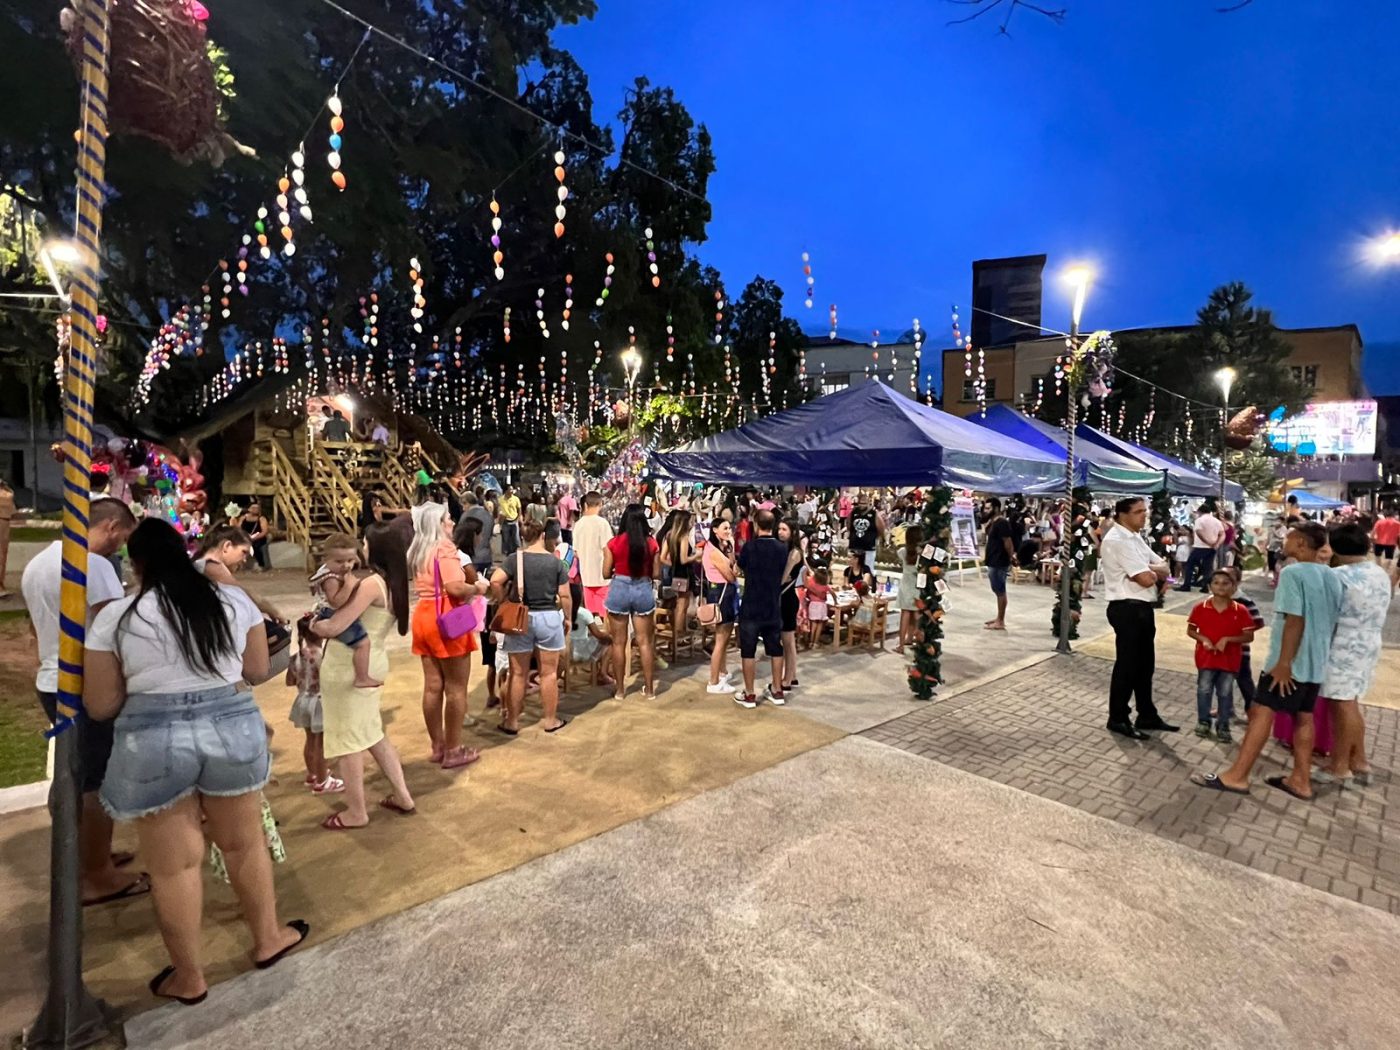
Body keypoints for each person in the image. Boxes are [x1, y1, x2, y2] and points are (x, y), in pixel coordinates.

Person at [85, 518, 307, 1001]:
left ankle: (190, 977)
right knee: (244, 845)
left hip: (153, 736)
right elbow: (253, 668)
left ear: (136, 564)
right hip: (231, 724)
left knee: (174, 868)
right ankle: (267, 938)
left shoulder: (115, 617)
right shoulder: (231, 602)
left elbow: (99, 704)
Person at [21, 497, 147, 906]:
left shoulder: (39, 563)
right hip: (84, 681)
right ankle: (96, 875)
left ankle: (87, 855)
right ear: (111, 526)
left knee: (74, 772)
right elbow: (115, 627)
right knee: (95, 780)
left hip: (51, 678)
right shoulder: (93, 566)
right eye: (123, 539)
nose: (122, 549)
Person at [1193, 521, 1342, 798]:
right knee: (1304, 716)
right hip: (1316, 662)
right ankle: (1301, 779)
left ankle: (1237, 776)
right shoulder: (1332, 576)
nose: (1283, 541)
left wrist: (1284, 664)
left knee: (1262, 712)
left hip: (1289, 662)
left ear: (1300, 543)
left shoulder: (1292, 573)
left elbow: (1295, 619)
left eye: (1289, 537)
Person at [311, 523, 419, 826]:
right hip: (374, 659)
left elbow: (336, 625)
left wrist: (315, 625)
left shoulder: (372, 583)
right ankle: (402, 796)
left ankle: (356, 812)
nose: (361, 549)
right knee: (372, 734)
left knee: (348, 741)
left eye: (365, 543)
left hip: (347, 667)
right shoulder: (395, 582)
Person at [408, 501, 488, 769]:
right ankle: (453, 749)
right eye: (447, 519)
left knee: (432, 686)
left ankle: (438, 745)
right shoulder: (444, 548)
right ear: (437, 524)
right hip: (447, 620)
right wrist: (476, 588)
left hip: (423, 615)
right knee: (456, 688)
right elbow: (455, 587)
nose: (453, 523)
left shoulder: (419, 548)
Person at [1314, 523, 1392, 789]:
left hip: (1342, 646)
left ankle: (1340, 766)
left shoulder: (1337, 576)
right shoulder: (1378, 572)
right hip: (1369, 643)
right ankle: (1358, 760)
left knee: (1342, 705)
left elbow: (1324, 614)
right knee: (1351, 702)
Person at [1098, 496, 1176, 740]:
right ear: (1123, 515)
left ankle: (1147, 713)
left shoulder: (1135, 538)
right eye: (1138, 512)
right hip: (1127, 608)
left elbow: (1164, 567)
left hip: (1142, 607)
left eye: (1145, 511)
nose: (1144, 516)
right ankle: (1118, 717)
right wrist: (1153, 572)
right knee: (1127, 666)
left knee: (1145, 666)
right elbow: (1146, 578)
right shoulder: (1118, 540)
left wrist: (1152, 571)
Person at [491, 517, 572, 734]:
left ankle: (512, 722)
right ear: (543, 535)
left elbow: (495, 581)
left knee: (518, 673)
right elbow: (564, 595)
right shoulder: (555, 562)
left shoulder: (514, 559)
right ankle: (550, 720)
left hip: (520, 618)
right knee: (549, 673)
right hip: (548, 617)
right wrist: (568, 618)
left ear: (524, 536)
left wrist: (503, 601)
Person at [1186, 570, 1257, 743]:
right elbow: (1191, 630)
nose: (1220, 586)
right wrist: (1203, 640)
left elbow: (1249, 636)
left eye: (1226, 583)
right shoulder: (1200, 608)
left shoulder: (1240, 610)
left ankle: (1223, 724)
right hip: (1206, 659)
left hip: (1229, 661)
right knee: (1204, 690)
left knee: (1225, 693)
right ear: (1210, 586)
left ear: (1233, 587)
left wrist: (1228, 639)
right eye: (1216, 582)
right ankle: (1203, 721)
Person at [732, 510, 789, 708]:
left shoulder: (750, 547)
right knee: (775, 649)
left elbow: (739, 569)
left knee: (748, 651)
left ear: (756, 524)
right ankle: (777, 690)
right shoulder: (782, 548)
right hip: (772, 605)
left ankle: (749, 694)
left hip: (751, 605)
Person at [603, 503, 661, 700]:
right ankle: (650, 690)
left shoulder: (613, 543)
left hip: (619, 588)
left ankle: (620, 691)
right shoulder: (652, 543)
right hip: (643, 589)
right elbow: (656, 573)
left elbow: (605, 573)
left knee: (618, 643)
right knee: (645, 642)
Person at [309, 533, 380, 689]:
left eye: (350, 561)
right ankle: (362, 677)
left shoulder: (332, 571)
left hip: (327, 613)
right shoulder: (331, 577)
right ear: (325, 559)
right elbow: (336, 601)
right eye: (339, 561)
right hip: (331, 613)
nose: (346, 566)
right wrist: (349, 585)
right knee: (364, 643)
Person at [286, 617, 343, 794]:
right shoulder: (321, 655)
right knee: (320, 743)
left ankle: (313, 774)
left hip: (302, 700)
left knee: (310, 740)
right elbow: (330, 680)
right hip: (318, 702)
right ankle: (323, 781)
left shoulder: (296, 657)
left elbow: (289, 681)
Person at [196, 526, 288, 628]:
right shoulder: (211, 566)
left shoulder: (200, 563)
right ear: (227, 546)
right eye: (243, 552)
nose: (244, 560)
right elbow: (244, 593)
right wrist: (275, 612)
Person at [702, 517, 740, 693]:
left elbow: (733, 566)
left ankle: (722, 672)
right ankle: (714, 681)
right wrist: (733, 571)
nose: (728, 530)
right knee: (721, 637)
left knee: (725, 637)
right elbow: (731, 575)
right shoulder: (713, 551)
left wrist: (731, 548)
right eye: (725, 528)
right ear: (715, 530)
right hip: (721, 594)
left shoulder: (721, 548)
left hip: (725, 593)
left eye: (729, 527)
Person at [1222, 565, 1265, 710]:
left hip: (1240, 651)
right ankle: (1226, 707)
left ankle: (1253, 710)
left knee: (1244, 680)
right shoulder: (1218, 600)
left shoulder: (1243, 601)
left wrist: (1239, 634)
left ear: (1237, 581)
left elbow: (1258, 622)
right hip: (1221, 650)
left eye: (1228, 579)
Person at [660, 510, 699, 651]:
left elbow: (662, 557)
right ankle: (678, 636)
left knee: (679, 603)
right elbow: (684, 559)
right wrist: (695, 556)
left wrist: (673, 564)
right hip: (685, 573)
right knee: (682, 605)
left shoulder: (669, 535)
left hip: (675, 573)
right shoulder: (683, 537)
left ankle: (676, 635)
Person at [573, 490, 613, 617]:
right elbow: (608, 549)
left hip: (586, 576)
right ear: (600, 504)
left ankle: (592, 636)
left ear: (585, 505)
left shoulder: (578, 525)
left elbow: (576, 552)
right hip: (602, 577)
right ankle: (604, 636)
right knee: (604, 615)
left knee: (590, 615)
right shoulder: (603, 523)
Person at [776, 519, 806, 690]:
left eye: (784, 529)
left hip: (787, 598)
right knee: (787, 640)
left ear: (792, 532)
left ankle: (788, 678)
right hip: (785, 596)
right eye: (779, 528)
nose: (780, 532)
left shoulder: (794, 553)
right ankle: (791, 675)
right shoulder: (785, 550)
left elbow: (783, 577)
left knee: (788, 641)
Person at [983, 498, 1014, 631]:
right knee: (997, 590)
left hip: (999, 561)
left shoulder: (1002, 523)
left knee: (1000, 591)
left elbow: (1008, 542)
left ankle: (1000, 620)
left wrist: (1011, 557)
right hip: (993, 560)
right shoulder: (993, 522)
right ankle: (998, 617)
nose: (986, 510)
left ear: (996, 508)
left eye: (989, 508)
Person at [1175, 504, 1222, 593]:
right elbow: (1222, 533)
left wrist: (1207, 541)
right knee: (1208, 568)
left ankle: (1186, 585)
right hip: (1212, 548)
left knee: (1190, 565)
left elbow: (1199, 532)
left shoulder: (1200, 520)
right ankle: (1205, 586)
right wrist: (1216, 543)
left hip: (1200, 546)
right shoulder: (1217, 521)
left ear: (1200, 512)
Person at [895, 525, 923, 654]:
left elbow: (901, 553)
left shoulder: (902, 552)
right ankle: (919, 642)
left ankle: (901, 644)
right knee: (917, 615)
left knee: (905, 614)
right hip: (919, 586)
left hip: (906, 586)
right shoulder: (923, 554)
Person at [847, 492, 884, 571]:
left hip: (868, 546)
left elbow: (881, 528)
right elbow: (848, 525)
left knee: (868, 568)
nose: (862, 505)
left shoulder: (874, 513)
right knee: (853, 568)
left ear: (868, 503)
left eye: (864, 503)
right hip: (855, 544)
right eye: (860, 503)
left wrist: (875, 537)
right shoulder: (854, 512)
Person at [237, 502, 272, 571]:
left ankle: (262, 565)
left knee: (257, 546)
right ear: (249, 509)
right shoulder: (243, 518)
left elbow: (264, 531)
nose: (255, 509)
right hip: (245, 537)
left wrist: (254, 538)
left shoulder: (261, 519)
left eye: (257, 508)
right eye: (253, 508)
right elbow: (238, 529)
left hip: (258, 538)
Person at [804, 566, 833, 649]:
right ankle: (815, 642)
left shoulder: (811, 585)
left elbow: (807, 594)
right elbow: (833, 594)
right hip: (821, 606)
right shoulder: (825, 586)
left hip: (812, 605)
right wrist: (836, 602)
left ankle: (811, 641)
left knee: (813, 624)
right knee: (820, 624)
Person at [497, 483, 522, 556]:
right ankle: (507, 554)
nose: (511, 491)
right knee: (506, 539)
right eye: (510, 489)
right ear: (506, 491)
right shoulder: (500, 499)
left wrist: (518, 518)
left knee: (516, 539)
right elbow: (499, 510)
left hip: (514, 520)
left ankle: (517, 553)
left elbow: (519, 509)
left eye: (512, 489)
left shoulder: (516, 499)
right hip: (505, 521)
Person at [0, 476, 14, 599]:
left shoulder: (6, 493)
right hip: (1, 521)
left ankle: (1, 584)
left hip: (5, 521)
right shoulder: (3, 495)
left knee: (3, 554)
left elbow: (10, 494)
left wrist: (4, 485)